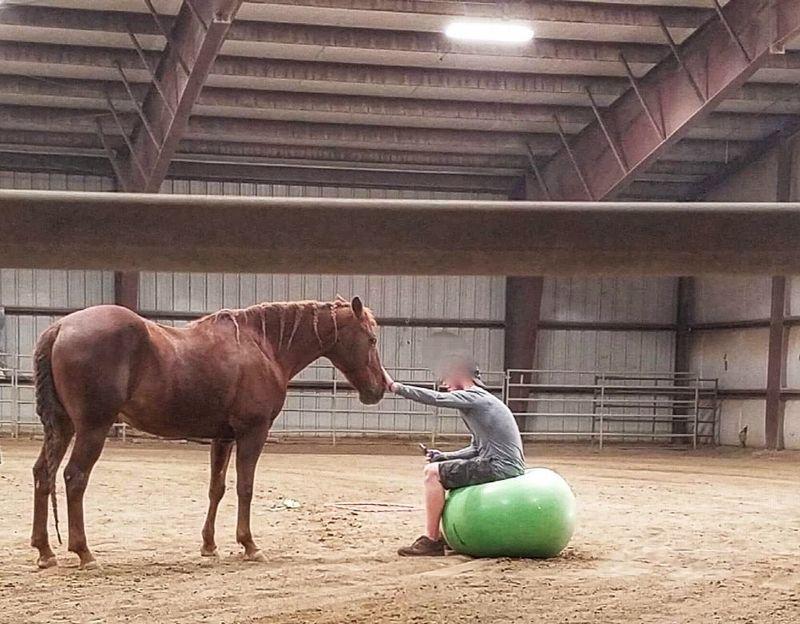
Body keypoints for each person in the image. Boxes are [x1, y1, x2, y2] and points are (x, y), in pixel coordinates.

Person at [383, 359, 526, 556]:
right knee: (441, 468)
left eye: (446, 377)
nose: (444, 384)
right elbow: (477, 447)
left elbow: (436, 399)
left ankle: (432, 539)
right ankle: (449, 536)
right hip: (501, 464)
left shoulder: (474, 397)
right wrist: (444, 456)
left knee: (432, 474)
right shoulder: (483, 400)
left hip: (498, 467)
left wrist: (395, 387)